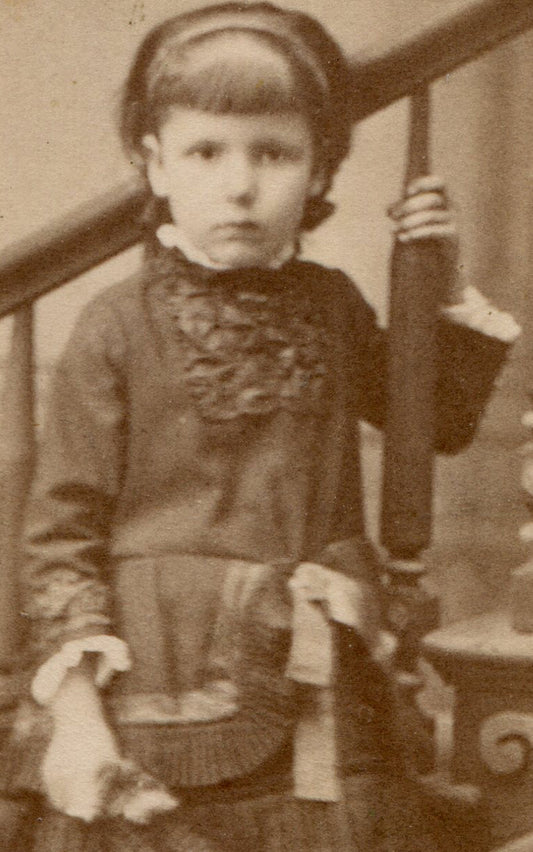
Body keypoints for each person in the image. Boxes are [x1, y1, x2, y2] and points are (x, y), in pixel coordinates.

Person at [0, 3, 520, 850]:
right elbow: (61, 538)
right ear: (154, 163)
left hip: (315, 680)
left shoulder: (330, 307)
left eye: (273, 154)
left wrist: (444, 280)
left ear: (318, 173)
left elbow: (437, 425)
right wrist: (80, 715)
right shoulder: (116, 323)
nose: (239, 186)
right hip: (156, 690)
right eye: (206, 152)